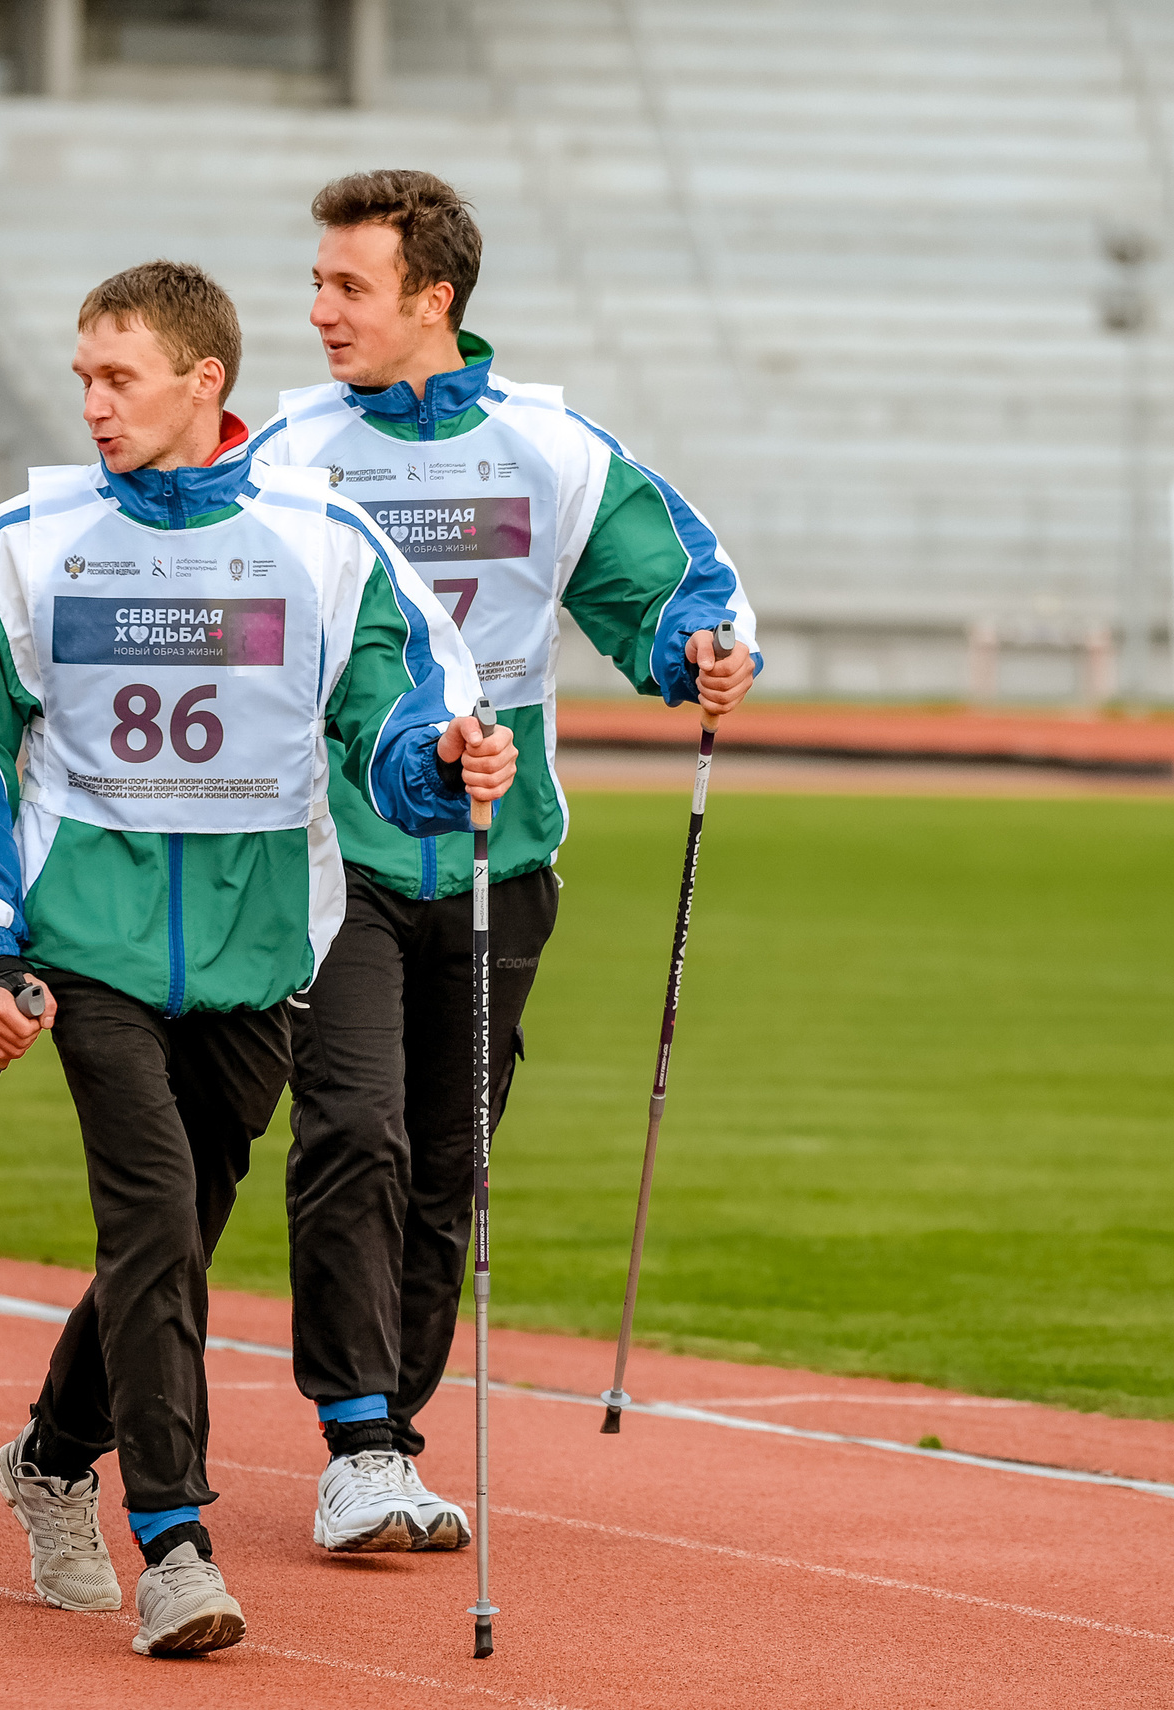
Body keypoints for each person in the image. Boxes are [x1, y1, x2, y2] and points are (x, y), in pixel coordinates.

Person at [0, 259, 515, 1656]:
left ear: (203, 382)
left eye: (118, 378)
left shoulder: (324, 540)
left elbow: (403, 710)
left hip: (260, 958)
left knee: (177, 1233)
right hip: (89, 952)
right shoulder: (24, 542)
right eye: (83, 380)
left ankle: (52, 1456)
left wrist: (444, 759)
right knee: (155, 1221)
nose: (94, 405)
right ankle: (175, 1542)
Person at [245, 169, 758, 1553]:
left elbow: (666, 580)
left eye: (349, 285)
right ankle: (355, 1440)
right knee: (353, 1129)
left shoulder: (549, 446)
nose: (320, 310)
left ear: (434, 298)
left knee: (446, 1162)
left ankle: (390, 1445)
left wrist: (699, 648)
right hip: (333, 859)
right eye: (318, 282)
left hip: (499, 857)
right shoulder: (285, 450)